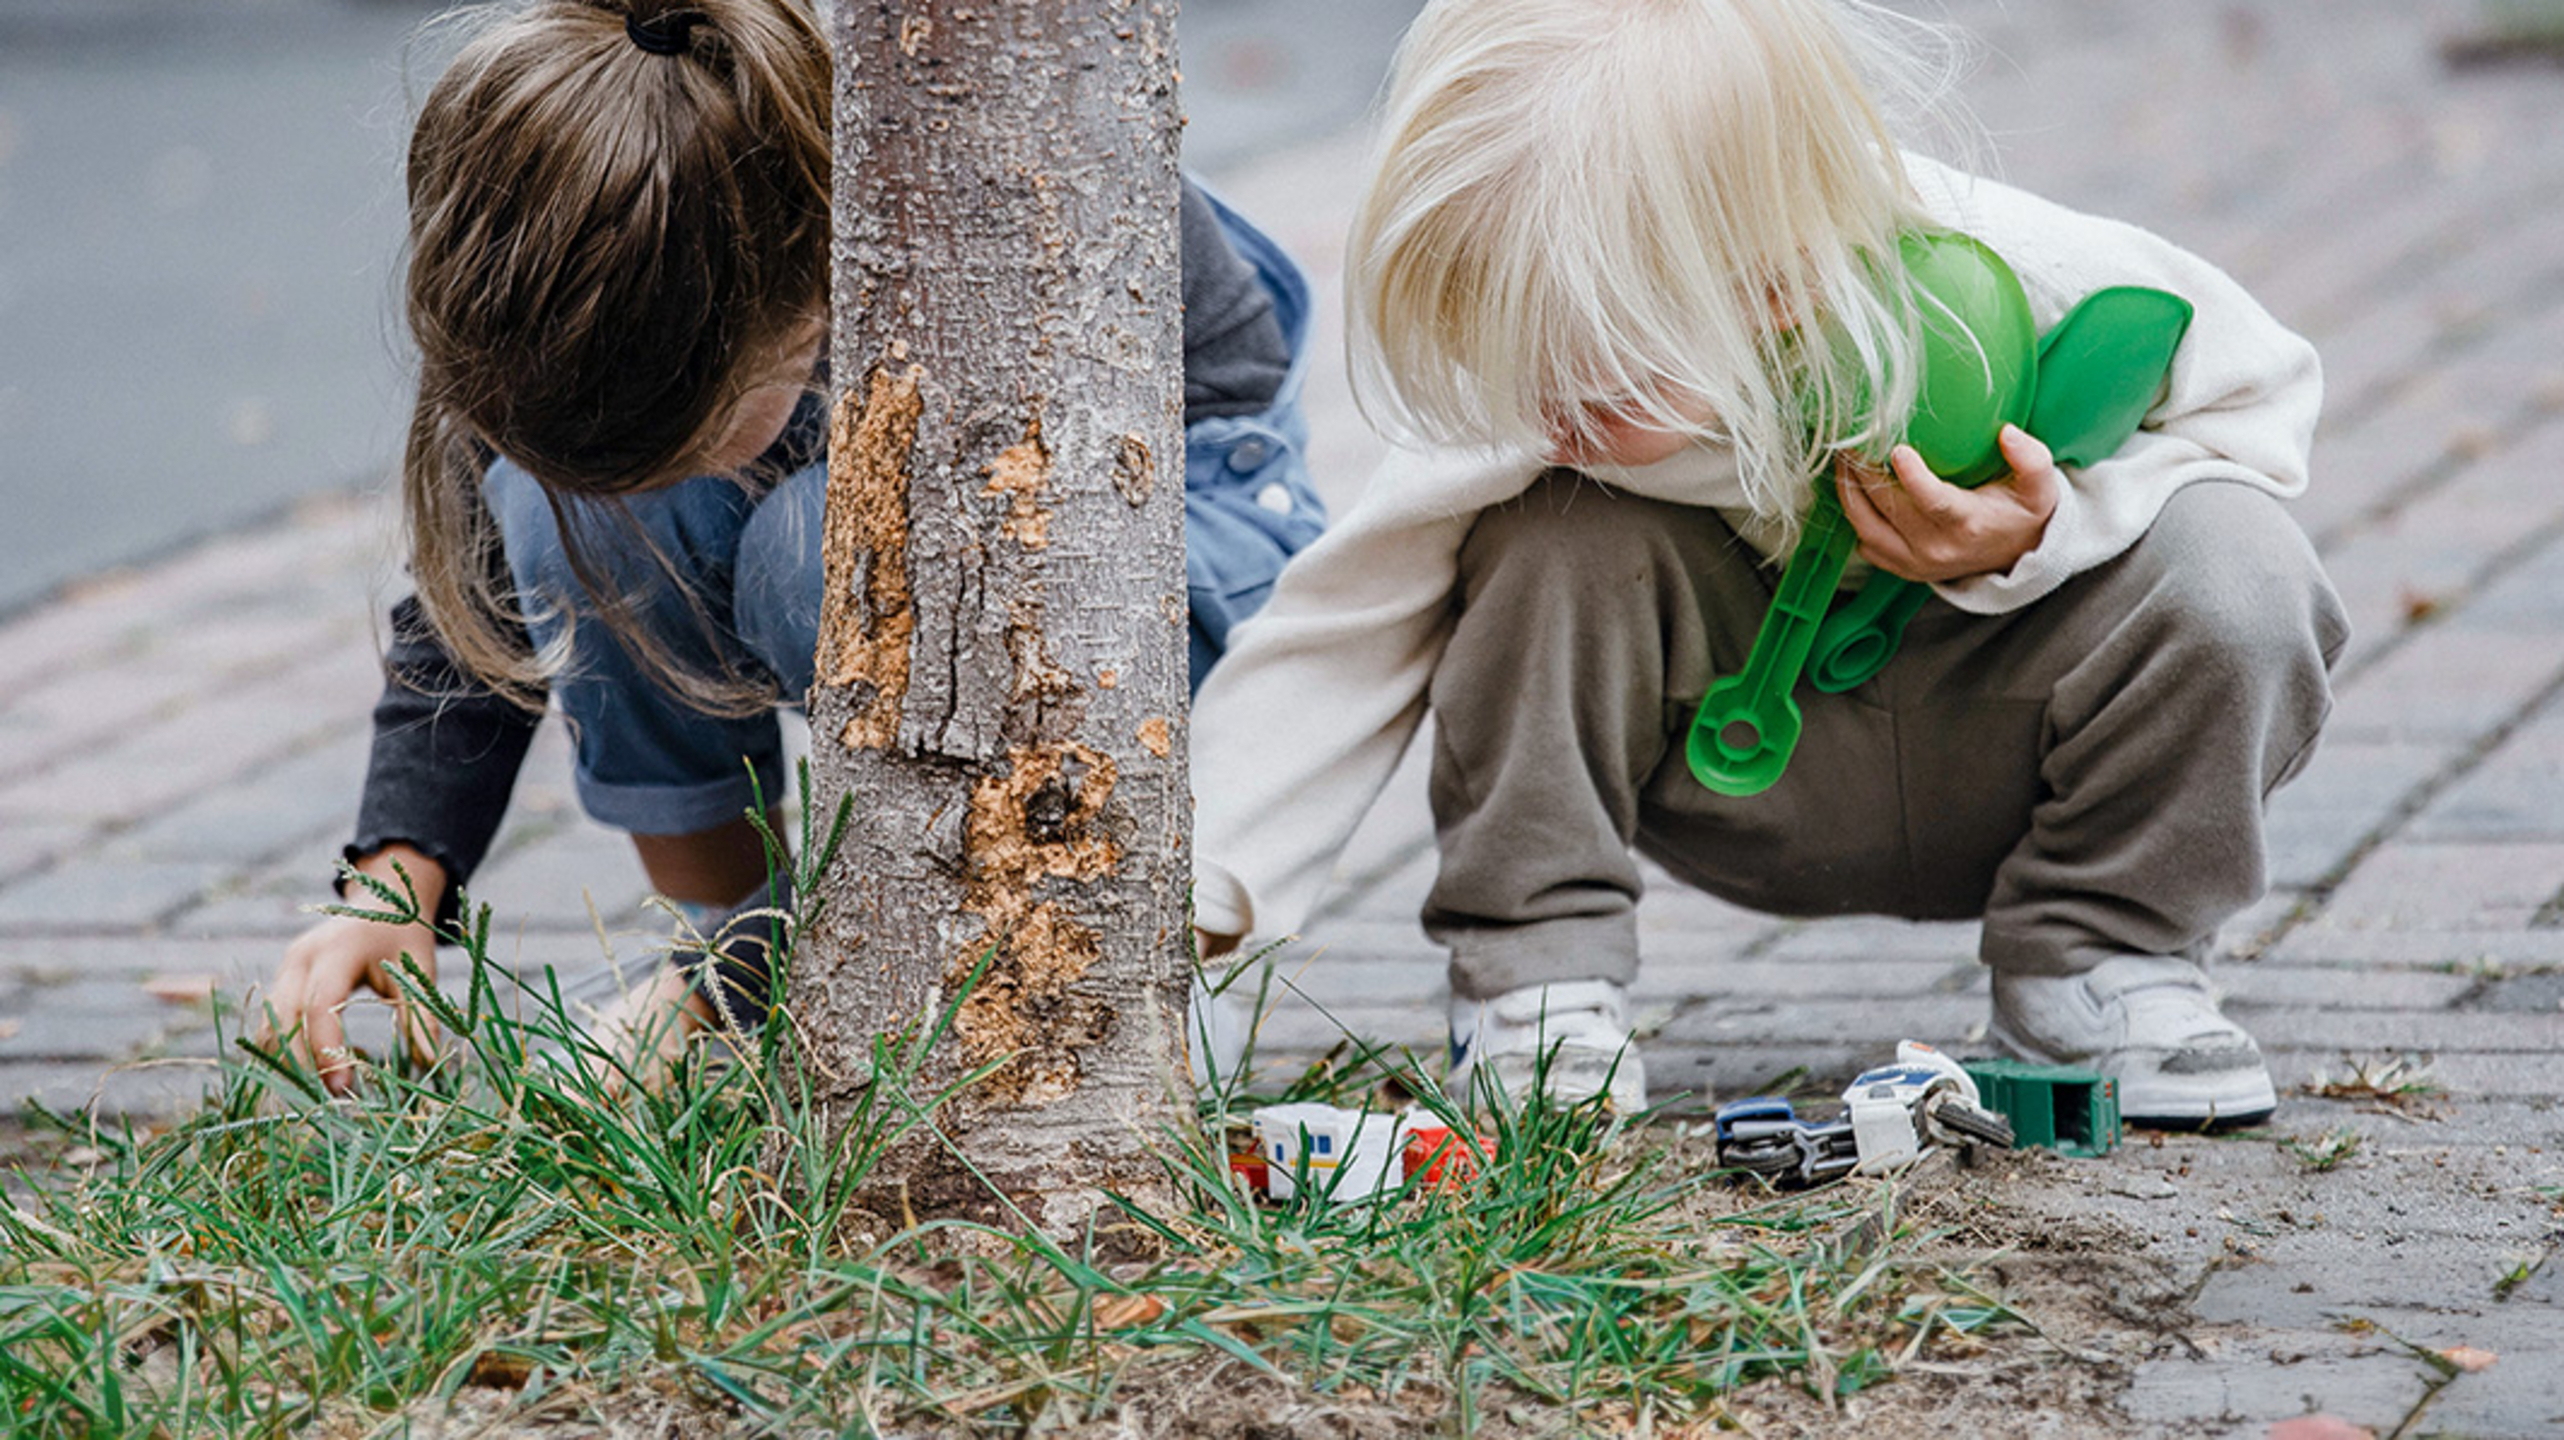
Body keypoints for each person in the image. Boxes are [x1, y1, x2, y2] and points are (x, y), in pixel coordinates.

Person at [1187, 0, 2347, 1127]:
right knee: (1546, 536)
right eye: (1512, 356)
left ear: (1775, 284)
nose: (1544, 406)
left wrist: (2049, 529)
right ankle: (1535, 983)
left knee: (2239, 565)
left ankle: (2102, 957)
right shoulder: (1555, 375)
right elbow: (1342, 636)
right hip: (1734, 769)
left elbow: (2262, 406)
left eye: (1594, 378)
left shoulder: (2024, 273)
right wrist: (1203, 908)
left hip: (2008, 742)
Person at [261, 0, 1323, 1095]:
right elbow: (474, 593)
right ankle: (724, 940)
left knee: (815, 541)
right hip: (892, 530)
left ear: (805, 307)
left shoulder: (954, 184)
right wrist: (397, 875)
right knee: (567, 512)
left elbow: (1142, 552)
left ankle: (831, 965)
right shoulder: (558, 235)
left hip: (1169, 561)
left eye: (692, 437)